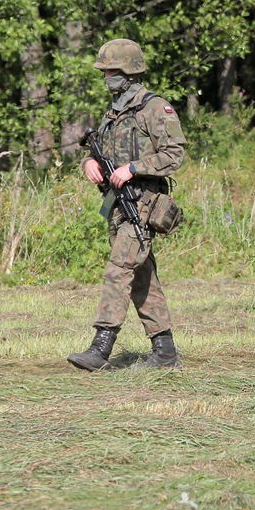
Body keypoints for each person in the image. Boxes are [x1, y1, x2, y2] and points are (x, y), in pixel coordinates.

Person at [68, 38, 186, 371]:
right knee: (142, 278)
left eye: (112, 70)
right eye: (104, 70)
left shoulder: (153, 107)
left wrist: (134, 168)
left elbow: (174, 154)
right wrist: (89, 163)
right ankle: (164, 351)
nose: (106, 76)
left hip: (144, 205)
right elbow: (102, 154)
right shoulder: (112, 114)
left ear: (130, 72)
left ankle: (100, 347)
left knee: (119, 271)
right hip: (117, 206)